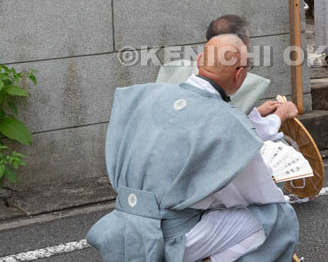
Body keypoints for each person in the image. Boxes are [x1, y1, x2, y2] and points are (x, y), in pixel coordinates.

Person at [87, 34, 299, 261]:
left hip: (122, 224)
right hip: (169, 235)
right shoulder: (228, 122)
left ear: (198, 61)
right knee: (276, 215)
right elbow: (252, 191)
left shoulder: (143, 95)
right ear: (240, 75)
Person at [156, 14, 276, 119]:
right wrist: (275, 120)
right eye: (245, 47)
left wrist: (256, 114)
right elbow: (224, 130)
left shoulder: (173, 70)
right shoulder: (234, 85)